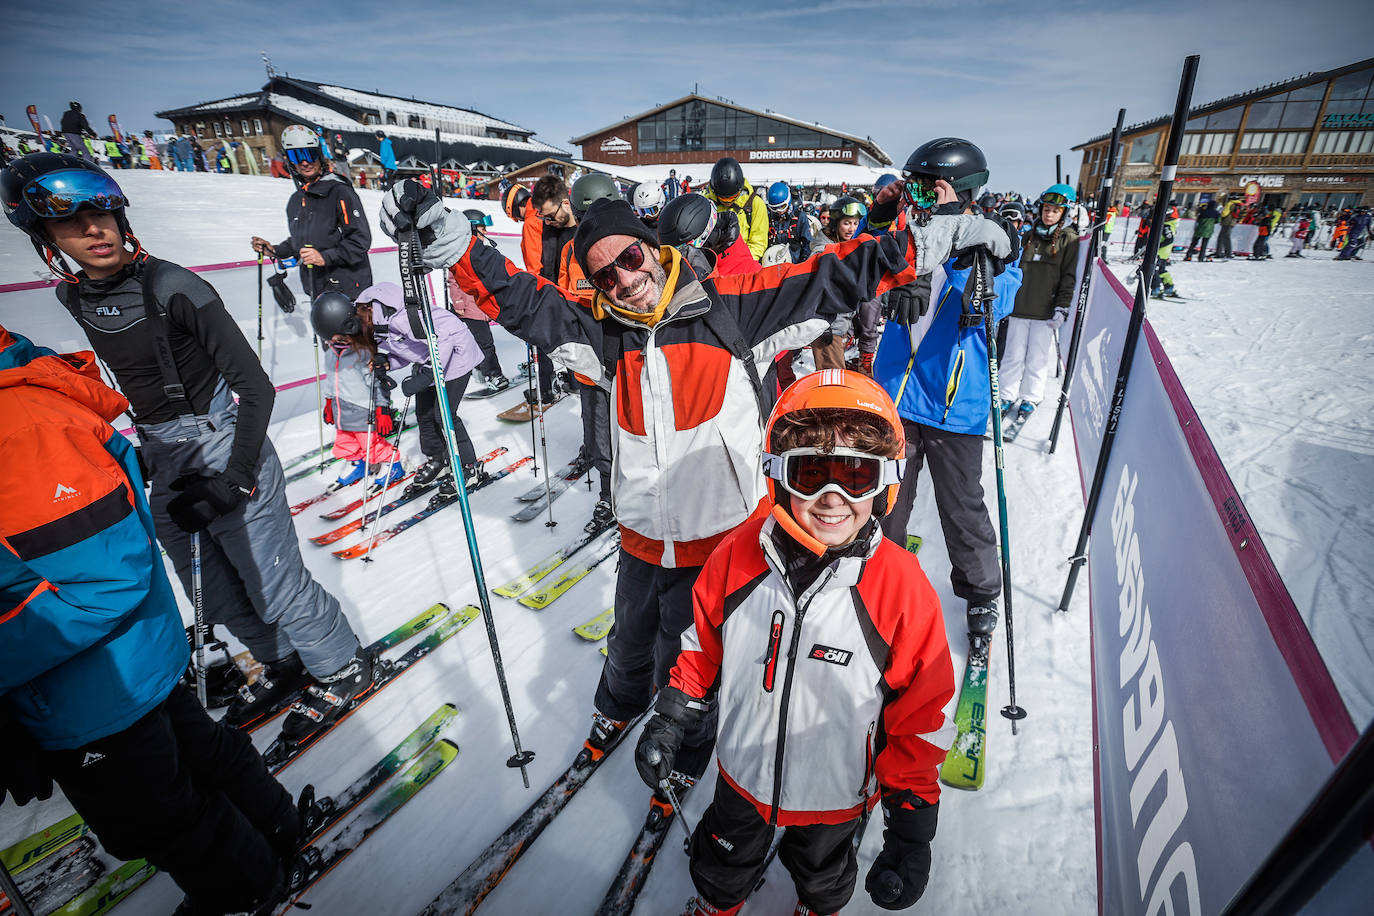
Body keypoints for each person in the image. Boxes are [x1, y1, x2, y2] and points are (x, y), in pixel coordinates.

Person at [378, 176, 1007, 819]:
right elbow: (518, 297)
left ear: (653, 249)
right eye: (604, 276)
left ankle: (687, 756)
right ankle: (615, 712)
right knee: (628, 645)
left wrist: (940, 236)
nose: (624, 281)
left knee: (694, 666)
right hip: (642, 539)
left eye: (629, 258)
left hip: (722, 546)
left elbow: (834, 276)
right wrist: (454, 239)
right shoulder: (601, 331)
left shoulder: (733, 307)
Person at [0, 153, 374, 741]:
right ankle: (283, 660)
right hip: (163, 452)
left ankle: (343, 664)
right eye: (73, 223)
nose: (95, 230)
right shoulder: (74, 298)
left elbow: (256, 387)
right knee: (212, 589)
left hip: (226, 441)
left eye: (103, 214)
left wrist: (235, 479)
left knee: (273, 582)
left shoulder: (174, 286)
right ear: (44, 235)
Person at [0, 325, 307, 916]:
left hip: (91, 681)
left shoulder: (21, 428)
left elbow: (103, 580)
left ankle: (244, 890)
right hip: (116, 664)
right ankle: (274, 834)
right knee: (196, 757)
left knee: (154, 816)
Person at [635, 369, 954, 916]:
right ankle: (718, 904)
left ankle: (818, 905)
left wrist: (910, 823)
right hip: (743, 773)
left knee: (824, 875)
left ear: (885, 484)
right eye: (811, 473)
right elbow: (701, 643)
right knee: (722, 860)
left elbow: (921, 712)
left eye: (856, 476)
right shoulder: (738, 556)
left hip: (836, 792)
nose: (832, 500)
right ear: (779, 478)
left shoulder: (900, 587)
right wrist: (674, 711)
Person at [869, 137, 1023, 643]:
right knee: (886, 500)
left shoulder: (988, 246)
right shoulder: (906, 238)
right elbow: (862, 267)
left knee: (961, 507)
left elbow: (996, 304)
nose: (913, 198)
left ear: (948, 189)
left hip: (955, 405)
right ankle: (879, 579)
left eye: (920, 188)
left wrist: (968, 249)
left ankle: (981, 593)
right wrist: (883, 214)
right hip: (895, 396)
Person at [354, 282, 486, 505]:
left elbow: (442, 338)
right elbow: (411, 349)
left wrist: (426, 374)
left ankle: (469, 468)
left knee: (445, 415)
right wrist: (387, 361)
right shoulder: (379, 322)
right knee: (424, 414)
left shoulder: (400, 315)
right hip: (431, 360)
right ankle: (438, 459)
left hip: (456, 356)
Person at [250, 125, 372, 301]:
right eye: (296, 156)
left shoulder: (339, 191)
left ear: (319, 155)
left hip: (349, 290)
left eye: (309, 154)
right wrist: (274, 250)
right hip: (317, 289)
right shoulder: (295, 201)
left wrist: (324, 257)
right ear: (290, 161)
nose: (305, 162)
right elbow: (302, 241)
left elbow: (360, 240)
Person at [310, 292, 404, 492]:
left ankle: (391, 464)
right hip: (341, 409)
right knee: (345, 441)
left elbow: (377, 383)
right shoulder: (331, 352)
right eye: (329, 339)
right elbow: (331, 378)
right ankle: (358, 464)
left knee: (370, 443)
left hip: (362, 410)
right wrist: (328, 402)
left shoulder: (363, 353)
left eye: (336, 338)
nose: (331, 342)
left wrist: (382, 409)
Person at [1000, 185, 1080, 422]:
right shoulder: (1028, 235)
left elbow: (1069, 277)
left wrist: (1061, 306)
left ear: (1064, 213)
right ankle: (1006, 394)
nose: (1049, 214)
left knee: (1037, 357)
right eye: (1046, 209)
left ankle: (1031, 397)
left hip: (1045, 311)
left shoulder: (1069, 240)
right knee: (1012, 355)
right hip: (1018, 307)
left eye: (1055, 210)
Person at [451, 209, 511, 394]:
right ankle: (493, 374)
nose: (485, 233)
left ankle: (480, 370)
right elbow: (453, 280)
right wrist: (458, 304)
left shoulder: (483, 249)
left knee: (479, 342)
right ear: (472, 228)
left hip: (483, 307)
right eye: (482, 229)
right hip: (470, 308)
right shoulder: (460, 251)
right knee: (485, 343)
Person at [704, 156, 770, 260]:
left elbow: (758, 243)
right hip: (713, 263)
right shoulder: (706, 204)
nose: (727, 203)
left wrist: (741, 262)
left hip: (743, 263)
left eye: (732, 198)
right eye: (723, 199)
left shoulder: (755, 204)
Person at [765, 180, 812, 264]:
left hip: (794, 262)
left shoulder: (800, 217)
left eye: (782, 207)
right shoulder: (768, 217)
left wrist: (803, 262)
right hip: (772, 262)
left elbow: (807, 243)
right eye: (774, 208)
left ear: (788, 201)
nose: (779, 211)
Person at [1150, 205, 1181, 297]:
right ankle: (1169, 287)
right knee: (1161, 270)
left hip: (1160, 252)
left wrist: (1157, 246)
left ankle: (1156, 288)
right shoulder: (1170, 224)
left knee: (1154, 270)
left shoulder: (1167, 226)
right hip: (1164, 252)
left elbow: (1169, 239)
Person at [1216, 195, 1239, 260]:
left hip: (1227, 222)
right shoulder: (1238, 204)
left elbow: (1224, 213)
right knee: (1227, 237)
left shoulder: (1230, 204)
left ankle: (1219, 252)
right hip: (1232, 222)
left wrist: (1221, 216)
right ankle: (1227, 253)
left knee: (1222, 237)